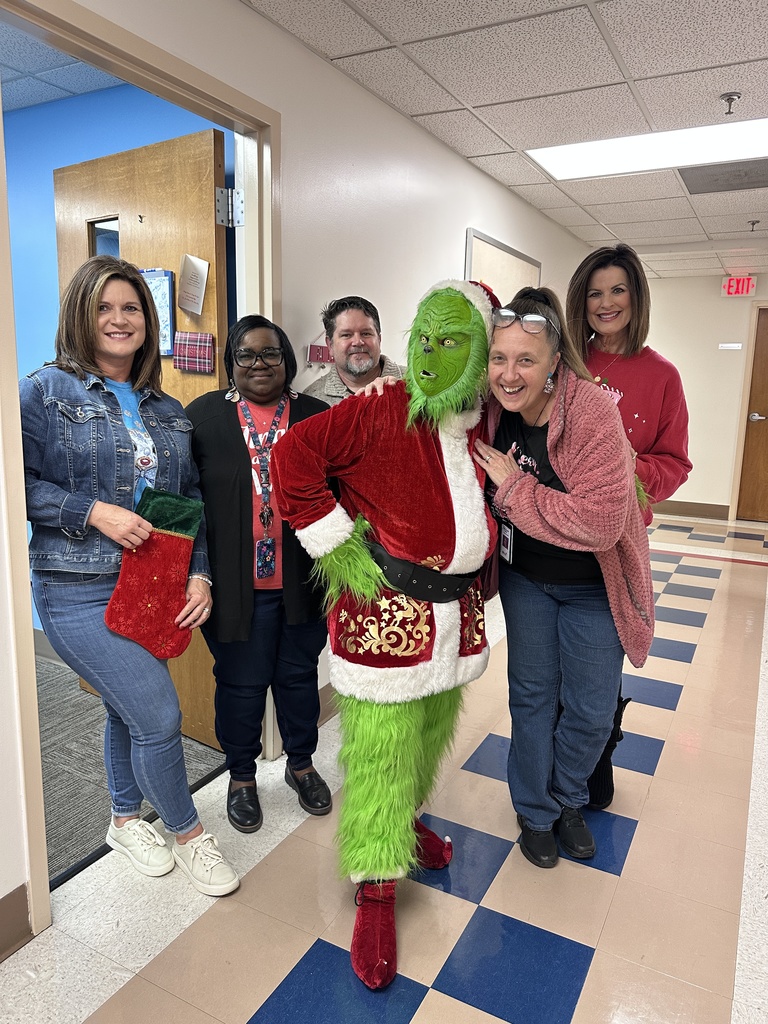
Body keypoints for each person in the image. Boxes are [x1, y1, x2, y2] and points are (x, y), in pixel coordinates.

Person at [272, 280, 498, 990]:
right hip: (386, 619)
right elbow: (291, 461)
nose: (432, 356)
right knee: (379, 755)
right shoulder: (380, 408)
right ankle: (374, 890)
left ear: (482, 354)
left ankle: (407, 822)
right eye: (424, 340)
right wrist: (336, 548)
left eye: (452, 342)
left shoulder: (481, 421)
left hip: (452, 621)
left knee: (429, 736)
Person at [19, 255, 239, 896]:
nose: (119, 320)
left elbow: (188, 504)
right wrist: (94, 512)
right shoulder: (44, 392)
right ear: (80, 317)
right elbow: (18, 485)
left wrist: (200, 577)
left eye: (132, 308)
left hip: (154, 586)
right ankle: (189, 832)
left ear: (149, 321)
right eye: (104, 308)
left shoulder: (168, 409)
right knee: (160, 716)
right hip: (77, 588)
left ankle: (123, 819)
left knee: (127, 710)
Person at [472, 286, 653, 870]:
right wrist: (374, 382)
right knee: (530, 697)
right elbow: (424, 385)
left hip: (592, 584)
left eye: (526, 359)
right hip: (528, 579)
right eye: (499, 359)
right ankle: (536, 811)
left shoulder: (594, 410)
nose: (510, 372)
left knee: (592, 707)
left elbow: (601, 524)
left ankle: (569, 796)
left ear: (555, 361)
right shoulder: (491, 408)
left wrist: (518, 492)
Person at [185, 315, 332, 834]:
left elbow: (342, 494)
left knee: (297, 680)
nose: (260, 363)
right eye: (247, 355)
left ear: (287, 360)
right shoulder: (201, 417)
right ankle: (242, 777)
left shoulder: (316, 416)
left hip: (303, 584)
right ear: (231, 365)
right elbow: (184, 501)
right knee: (241, 686)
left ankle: (302, 765)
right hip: (232, 589)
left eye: (271, 353)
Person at [566, 243, 691, 809]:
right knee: (548, 669)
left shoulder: (661, 375)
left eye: (618, 290)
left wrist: (617, 476)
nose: (606, 303)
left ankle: (599, 754)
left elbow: (673, 463)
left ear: (636, 297)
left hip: (615, 545)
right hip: (549, 537)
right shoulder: (565, 361)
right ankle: (553, 767)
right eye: (595, 292)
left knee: (599, 664)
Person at [303, 295, 403, 405]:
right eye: (346, 335)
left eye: (366, 333)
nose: (358, 342)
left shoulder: (415, 384)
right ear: (330, 345)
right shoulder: (311, 400)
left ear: (379, 340)